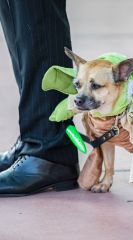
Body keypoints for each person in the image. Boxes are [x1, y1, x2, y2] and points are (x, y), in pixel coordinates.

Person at [0, 0, 79, 196]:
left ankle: (49, 148)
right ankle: (34, 139)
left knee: (37, 12)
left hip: (50, 147)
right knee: (17, 13)